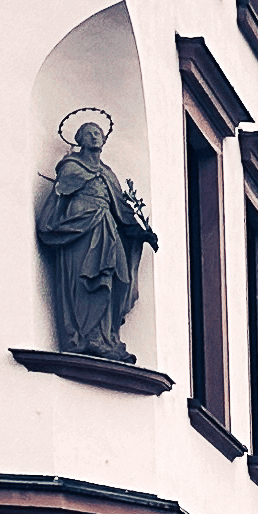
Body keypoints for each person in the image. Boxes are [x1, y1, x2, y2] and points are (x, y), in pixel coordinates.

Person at [37, 120, 158, 362]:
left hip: (107, 226)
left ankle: (107, 336)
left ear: (104, 140)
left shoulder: (108, 173)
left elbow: (121, 209)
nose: (94, 137)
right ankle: (86, 336)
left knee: (116, 277)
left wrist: (139, 231)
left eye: (97, 133)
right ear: (79, 140)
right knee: (87, 278)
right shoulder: (71, 167)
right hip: (79, 226)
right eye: (88, 133)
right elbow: (60, 195)